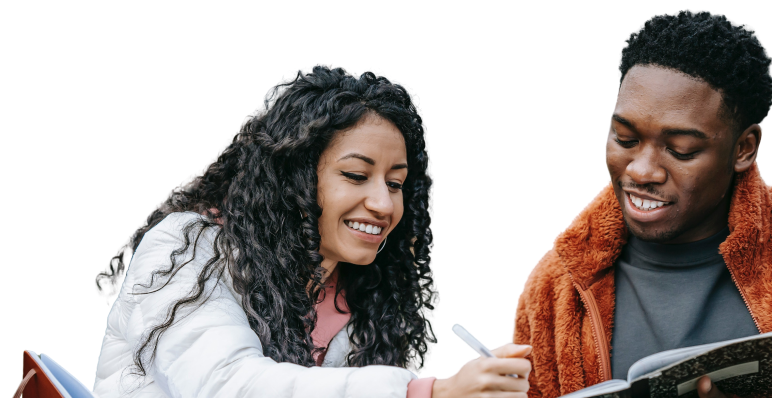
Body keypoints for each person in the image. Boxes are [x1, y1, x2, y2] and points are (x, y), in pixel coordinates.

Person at [92, 63, 533, 398]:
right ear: (293, 178)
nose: (383, 203)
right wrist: (426, 392)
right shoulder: (189, 248)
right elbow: (227, 384)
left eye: (395, 183)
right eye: (357, 176)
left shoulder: (365, 300)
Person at [511, 9, 771, 398]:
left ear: (744, 148)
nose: (642, 170)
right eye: (625, 139)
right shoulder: (555, 287)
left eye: (681, 150)